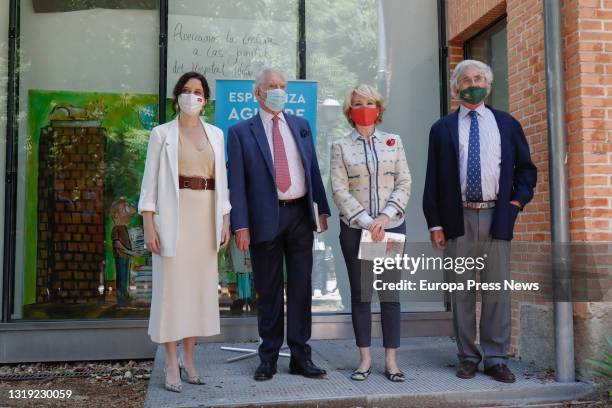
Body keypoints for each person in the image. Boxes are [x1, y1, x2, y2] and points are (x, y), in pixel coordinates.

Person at [423, 60, 537, 383]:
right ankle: (468, 357)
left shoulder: (507, 125)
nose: (471, 84)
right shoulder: (441, 128)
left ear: (488, 85)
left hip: (496, 216)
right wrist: (435, 223)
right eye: (465, 80)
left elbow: (527, 170)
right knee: (461, 291)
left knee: (496, 290)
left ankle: (496, 357)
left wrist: (515, 204)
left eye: (478, 79)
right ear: (456, 88)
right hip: (456, 217)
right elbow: (433, 180)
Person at [227, 67, 331, 381]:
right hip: (264, 219)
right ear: (257, 93)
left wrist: (322, 210)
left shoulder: (301, 125)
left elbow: (311, 169)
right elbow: (238, 183)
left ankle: (301, 357)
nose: (278, 90)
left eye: (282, 86)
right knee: (269, 291)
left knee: (301, 288)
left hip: (300, 215)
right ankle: (268, 357)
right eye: (271, 85)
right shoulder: (240, 132)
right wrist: (240, 225)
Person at [138, 72, 231, 392]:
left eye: (199, 92)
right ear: (177, 96)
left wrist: (225, 220)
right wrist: (149, 223)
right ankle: (170, 361)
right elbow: (149, 183)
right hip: (172, 219)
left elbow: (223, 182)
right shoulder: (161, 134)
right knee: (172, 292)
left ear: (205, 99)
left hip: (206, 216)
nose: (193, 96)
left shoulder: (217, 134)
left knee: (198, 291)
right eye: (187, 91)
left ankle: (189, 358)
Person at [330, 84, 412, 382]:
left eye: (369, 102)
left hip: (389, 228)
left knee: (389, 294)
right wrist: (367, 221)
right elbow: (339, 189)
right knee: (362, 295)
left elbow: (404, 182)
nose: (364, 107)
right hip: (356, 230)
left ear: (378, 108)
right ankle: (364, 360)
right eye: (357, 103)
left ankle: (391, 361)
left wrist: (384, 217)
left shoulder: (393, 141)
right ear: (349, 111)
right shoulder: (340, 146)